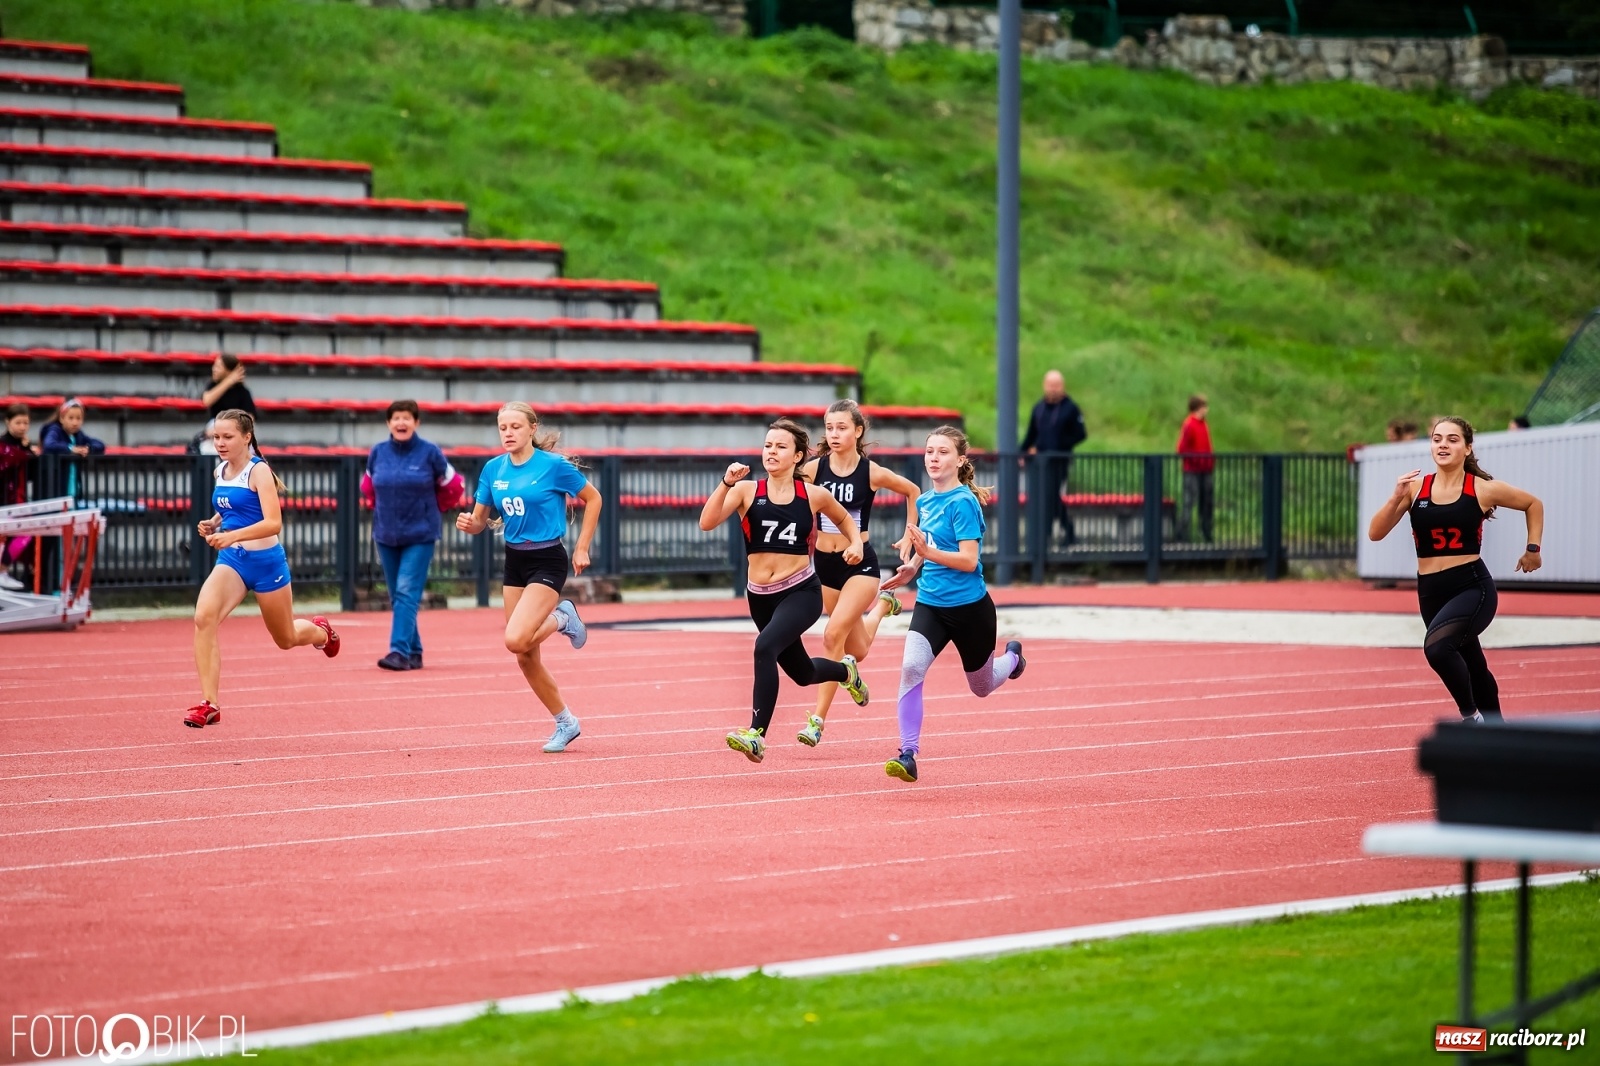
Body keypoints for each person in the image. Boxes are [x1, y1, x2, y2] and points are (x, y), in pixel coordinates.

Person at [699, 417, 869, 764]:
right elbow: (707, 522)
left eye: (780, 447)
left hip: (801, 592)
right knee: (803, 673)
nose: (771, 452)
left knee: (764, 647)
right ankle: (845, 672)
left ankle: (756, 735)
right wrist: (724, 484)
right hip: (760, 596)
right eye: (767, 446)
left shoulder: (814, 495)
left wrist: (856, 545)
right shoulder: (747, 491)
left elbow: (846, 518)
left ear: (797, 457)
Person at [1366, 416, 1544, 723]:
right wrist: (1396, 496)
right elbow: (1375, 533)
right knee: (1473, 664)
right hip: (1430, 591)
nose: (1443, 445)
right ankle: (1497, 733)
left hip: (1471, 587)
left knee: (1437, 649)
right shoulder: (1414, 489)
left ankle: (1470, 717)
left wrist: (1533, 549)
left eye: (1452, 439)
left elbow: (1533, 504)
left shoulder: (1482, 489)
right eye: (1437, 439)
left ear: (1467, 448)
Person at [879, 426, 1025, 784]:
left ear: (960, 460)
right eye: (929, 451)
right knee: (912, 668)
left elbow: (969, 561)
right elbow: (927, 546)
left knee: (982, 686)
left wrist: (927, 553)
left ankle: (1014, 659)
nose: (933, 458)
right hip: (930, 604)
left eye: (942, 452)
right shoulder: (925, 502)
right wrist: (912, 567)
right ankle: (908, 754)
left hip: (970, 609)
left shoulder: (963, 502)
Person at [455, 402, 601, 754]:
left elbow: (593, 498)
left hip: (548, 560)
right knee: (525, 655)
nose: (508, 433)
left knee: (515, 638)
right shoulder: (492, 470)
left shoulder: (552, 467)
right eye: (502, 427)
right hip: (514, 561)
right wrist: (470, 524)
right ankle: (566, 722)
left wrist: (582, 547)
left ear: (532, 429)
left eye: (515, 427)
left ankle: (563, 616)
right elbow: (479, 520)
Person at [187, 409, 340, 728]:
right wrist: (213, 523)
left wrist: (231, 535)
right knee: (204, 617)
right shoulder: (221, 471)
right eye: (216, 437)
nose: (220, 443)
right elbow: (231, 509)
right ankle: (209, 703)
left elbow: (273, 523)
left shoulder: (259, 472)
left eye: (227, 437)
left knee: (285, 638)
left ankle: (321, 632)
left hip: (266, 563)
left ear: (246, 437)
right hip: (233, 562)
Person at [795, 399, 921, 747]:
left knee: (833, 635)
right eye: (829, 427)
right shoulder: (812, 470)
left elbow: (913, 491)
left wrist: (909, 536)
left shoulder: (871, 472)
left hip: (860, 564)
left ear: (858, 431)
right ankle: (883, 607)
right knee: (857, 649)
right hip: (824, 565)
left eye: (842, 427)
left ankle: (817, 720)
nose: (834, 434)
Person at [362, 400, 463, 671]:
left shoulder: (430, 453)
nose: (401, 423)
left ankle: (399, 652)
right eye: (396, 418)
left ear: (416, 422)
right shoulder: (378, 452)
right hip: (386, 535)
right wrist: (380, 509)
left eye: (407, 418)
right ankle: (415, 651)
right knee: (399, 596)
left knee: (406, 591)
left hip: (420, 534)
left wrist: (434, 508)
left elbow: (455, 486)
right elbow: (367, 487)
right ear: (388, 423)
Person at [1020, 370, 1087, 546]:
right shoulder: (1039, 408)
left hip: (1059, 461)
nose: (1053, 389)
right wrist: (1021, 452)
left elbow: (1080, 434)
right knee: (1048, 497)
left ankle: (1050, 535)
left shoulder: (1070, 408)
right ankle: (1060, 533)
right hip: (1040, 463)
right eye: (1050, 386)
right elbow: (1031, 434)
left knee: (1050, 496)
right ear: (1044, 386)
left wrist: (1060, 445)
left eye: (1056, 386)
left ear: (1062, 387)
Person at [39, 398, 106, 503]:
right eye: (71, 418)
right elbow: (49, 444)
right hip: (55, 490)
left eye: (78, 418)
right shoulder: (55, 430)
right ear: (62, 418)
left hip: (74, 488)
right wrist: (71, 448)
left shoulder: (79, 435)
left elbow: (100, 445)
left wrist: (88, 449)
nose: (75, 422)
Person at [0, 403, 37, 590]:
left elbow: (31, 471)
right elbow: (10, 458)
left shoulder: (25, 446)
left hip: (19, 499)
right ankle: (2, 570)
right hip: (4, 499)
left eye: (26, 423)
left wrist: (30, 450)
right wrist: (25, 453)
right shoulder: (3, 444)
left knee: (26, 532)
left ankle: (3, 569)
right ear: (8, 422)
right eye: (18, 422)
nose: (22, 427)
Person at [1175, 394, 1213, 543]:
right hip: (1192, 469)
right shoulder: (1189, 424)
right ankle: (1181, 534)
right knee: (1189, 501)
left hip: (1206, 469)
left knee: (1207, 502)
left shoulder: (1204, 424)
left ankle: (1206, 532)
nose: (1207, 409)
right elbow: (1182, 448)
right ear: (1198, 408)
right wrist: (1196, 461)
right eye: (1204, 406)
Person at [204, 353, 257, 419]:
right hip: (216, 422)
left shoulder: (242, 391)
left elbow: (250, 415)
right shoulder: (213, 385)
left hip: (235, 425)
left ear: (229, 371)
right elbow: (207, 401)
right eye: (214, 366)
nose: (214, 369)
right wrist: (229, 381)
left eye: (218, 367)